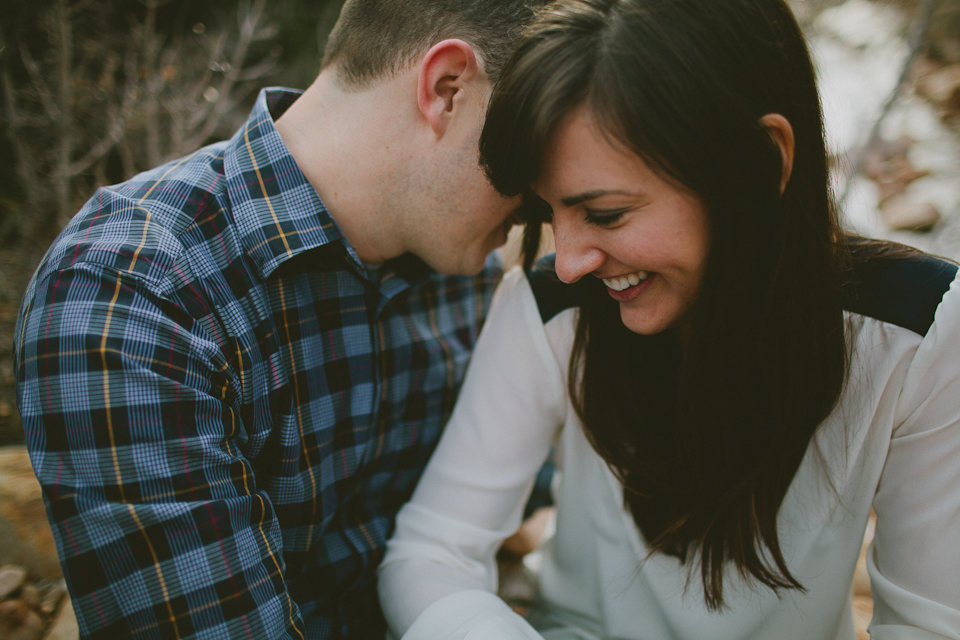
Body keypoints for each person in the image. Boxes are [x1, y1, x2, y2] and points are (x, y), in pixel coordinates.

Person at [377, 0, 960, 638]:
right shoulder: (550, 309)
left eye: (605, 214)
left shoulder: (917, 331)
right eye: (550, 211)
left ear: (761, 162)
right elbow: (432, 554)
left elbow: (930, 624)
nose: (567, 263)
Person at [12, 1, 552, 637]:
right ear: (447, 89)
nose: (546, 196)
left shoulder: (467, 273)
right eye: (535, 145)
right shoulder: (132, 295)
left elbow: (518, 502)